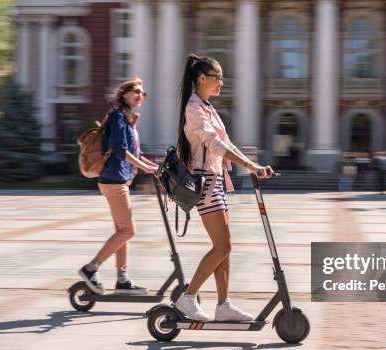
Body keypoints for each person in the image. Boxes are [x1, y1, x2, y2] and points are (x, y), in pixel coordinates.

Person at [173, 54, 271, 322]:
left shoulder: (208, 108)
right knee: (223, 246)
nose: (221, 84)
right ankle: (188, 298)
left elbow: (227, 144)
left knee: (224, 246)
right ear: (202, 78)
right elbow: (215, 144)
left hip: (216, 181)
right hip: (204, 183)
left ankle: (223, 305)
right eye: (218, 78)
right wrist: (251, 166)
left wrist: (252, 164)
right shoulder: (194, 108)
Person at [78, 78, 158, 295]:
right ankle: (91, 268)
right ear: (124, 94)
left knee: (121, 231)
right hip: (113, 181)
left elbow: (136, 153)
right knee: (127, 230)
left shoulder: (129, 120)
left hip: (119, 180)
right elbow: (120, 150)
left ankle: (122, 280)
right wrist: (143, 167)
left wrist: (156, 167)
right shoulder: (117, 116)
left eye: (143, 93)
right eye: (137, 92)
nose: (141, 96)